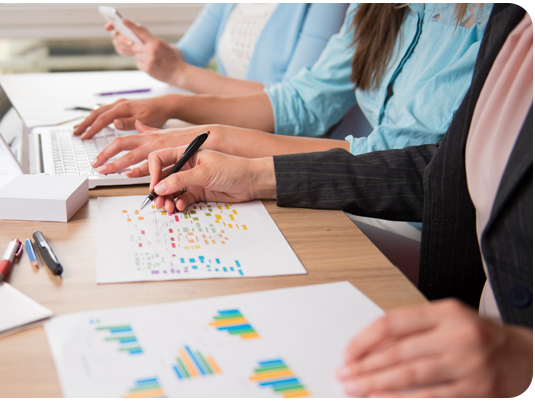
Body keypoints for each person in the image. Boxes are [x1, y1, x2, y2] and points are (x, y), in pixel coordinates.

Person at [142, 4, 532, 397]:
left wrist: (238, 154)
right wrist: (244, 165)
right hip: (372, 204)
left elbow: (419, 164)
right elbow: (313, 102)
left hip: (429, 233)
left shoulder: (499, 20)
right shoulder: (381, 10)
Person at [77, 4, 493, 177]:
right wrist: (170, 104)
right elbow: (303, 98)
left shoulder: (493, 16)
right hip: (356, 182)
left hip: (422, 222)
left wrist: (223, 140)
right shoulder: (376, 7)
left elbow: (404, 160)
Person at [107, 4, 349, 96]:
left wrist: (177, 72)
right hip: (239, 133)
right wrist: (149, 47)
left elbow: (297, 102)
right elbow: (189, 57)